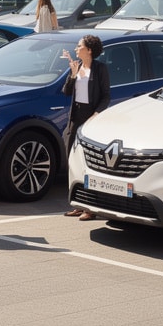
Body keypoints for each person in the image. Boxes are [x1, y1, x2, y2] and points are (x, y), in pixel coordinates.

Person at [61, 34, 109, 220]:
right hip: (75, 118)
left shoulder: (100, 69)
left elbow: (106, 96)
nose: (76, 48)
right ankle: (77, 204)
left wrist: (96, 115)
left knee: (89, 163)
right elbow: (66, 92)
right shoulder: (77, 66)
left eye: (79, 46)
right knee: (73, 161)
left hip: (91, 118)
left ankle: (90, 208)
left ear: (89, 50)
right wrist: (73, 75)